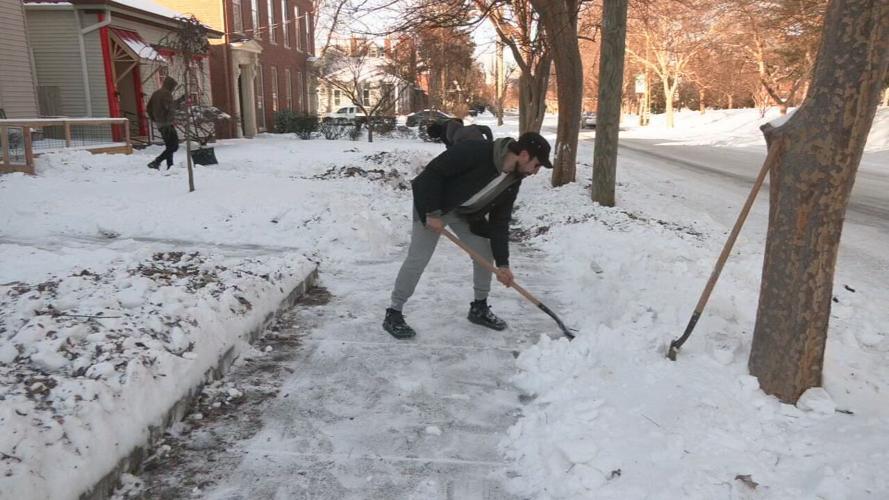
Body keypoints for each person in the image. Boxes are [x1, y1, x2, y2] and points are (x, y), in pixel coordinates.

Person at [383, 131, 553, 339]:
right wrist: (432, 213)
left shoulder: (513, 180)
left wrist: (503, 264)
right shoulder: (476, 151)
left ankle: (479, 308)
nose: (535, 171)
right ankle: (394, 311)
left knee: (484, 251)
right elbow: (431, 174)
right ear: (524, 155)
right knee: (419, 258)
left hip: (464, 213)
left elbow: (500, 221)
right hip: (434, 205)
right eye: (537, 165)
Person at [146, 76, 182, 170]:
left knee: (169, 146)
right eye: (173, 87)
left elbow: (148, 108)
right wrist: (181, 100)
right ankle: (156, 162)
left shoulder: (156, 93)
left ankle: (170, 166)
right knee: (174, 146)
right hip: (167, 124)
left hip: (160, 124)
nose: (173, 89)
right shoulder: (166, 94)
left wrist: (154, 119)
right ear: (170, 85)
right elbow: (170, 108)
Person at [426, 118, 494, 148]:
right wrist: (490, 142)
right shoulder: (472, 127)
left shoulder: (455, 142)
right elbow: (486, 128)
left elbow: (452, 154)